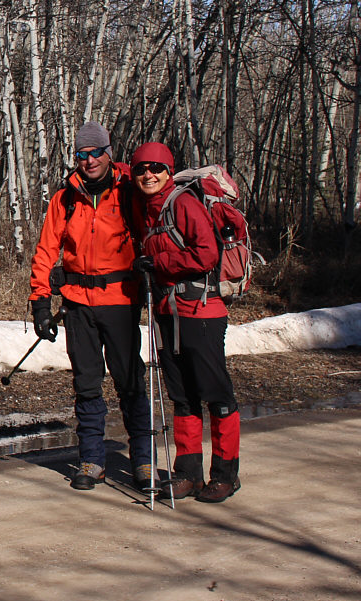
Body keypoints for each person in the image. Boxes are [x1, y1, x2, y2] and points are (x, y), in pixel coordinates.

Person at [27, 121, 151, 491]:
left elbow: (152, 232)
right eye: (82, 154)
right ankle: (92, 458)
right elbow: (46, 250)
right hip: (78, 303)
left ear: (108, 152)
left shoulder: (129, 192)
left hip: (120, 300)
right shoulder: (64, 198)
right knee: (87, 383)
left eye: (96, 152)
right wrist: (39, 302)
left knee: (130, 381)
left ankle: (142, 460)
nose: (90, 160)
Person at [129, 142, 241, 503]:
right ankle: (187, 473)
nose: (148, 174)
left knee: (216, 395)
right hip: (168, 312)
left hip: (202, 313)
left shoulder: (183, 203)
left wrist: (159, 263)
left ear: (168, 171)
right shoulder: (147, 208)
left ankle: (225, 474)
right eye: (141, 169)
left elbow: (206, 254)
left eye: (155, 168)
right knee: (182, 396)